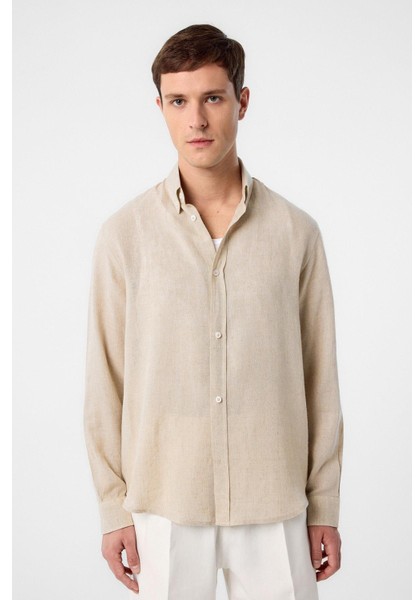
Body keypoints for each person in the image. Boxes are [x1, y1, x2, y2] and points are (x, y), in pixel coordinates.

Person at [84, 23, 344, 599]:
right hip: (164, 505)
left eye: (212, 98)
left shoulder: (296, 233)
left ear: (241, 102)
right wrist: (112, 507)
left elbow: (319, 378)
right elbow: (106, 380)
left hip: (275, 502)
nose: (196, 120)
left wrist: (324, 502)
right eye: (178, 101)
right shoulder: (124, 236)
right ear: (160, 107)